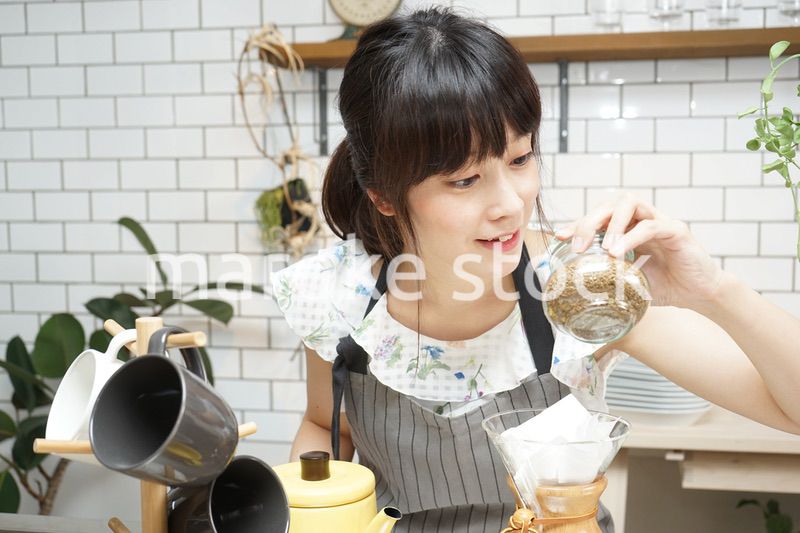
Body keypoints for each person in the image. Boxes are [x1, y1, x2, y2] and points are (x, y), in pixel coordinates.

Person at [271, 7, 800, 532]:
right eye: (464, 179)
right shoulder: (342, 295)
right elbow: (325, 426)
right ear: (383, 195)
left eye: (521, 159)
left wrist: (714, 291)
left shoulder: (582, 288)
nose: (510, 203)